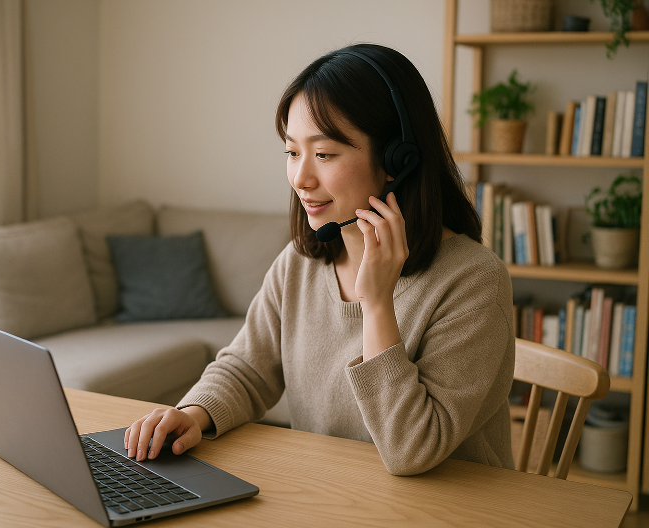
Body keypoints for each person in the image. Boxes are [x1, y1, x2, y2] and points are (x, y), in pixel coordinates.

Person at [124, 43, 515, 475]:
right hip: (332, 500)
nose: (300, 179)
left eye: (323, 154)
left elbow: (412, 450)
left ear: (396, 161)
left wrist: (378, 302)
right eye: (292, 152)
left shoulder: (474, 280)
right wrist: (193, 414)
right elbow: (248, 367)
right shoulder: (300, 264)